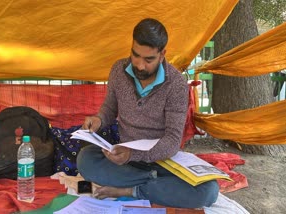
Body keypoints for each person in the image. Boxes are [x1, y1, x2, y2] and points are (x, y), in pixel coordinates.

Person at [77, 18, 219, 208]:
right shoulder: (118, 70)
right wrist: (98, 119)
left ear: (162, 55)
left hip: (163, 162)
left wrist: (132, 154)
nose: (140, 65)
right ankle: (151, 186)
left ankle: (130, 190)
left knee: (208, 191)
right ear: (132, 47)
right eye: (136, 55)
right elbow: (109, 109)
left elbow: (172, 141)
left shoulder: (176, 84)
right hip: (126, 162)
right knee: (86, 159)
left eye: (148, 59)